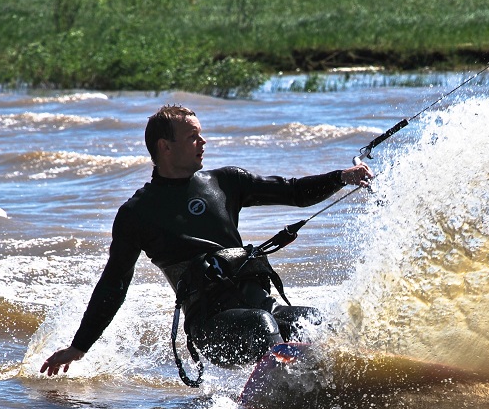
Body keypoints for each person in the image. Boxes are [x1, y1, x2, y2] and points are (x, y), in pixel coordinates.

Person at [41, 104, 372, 378]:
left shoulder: (226, 182)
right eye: (192, 137)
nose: (203, 143)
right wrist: (79, 347)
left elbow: (293, 191)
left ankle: (342, 381)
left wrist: (342, 177)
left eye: (201, 135)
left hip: (259, 306)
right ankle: (281, 389)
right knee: (261, 325)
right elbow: (113, 284)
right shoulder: (137, 213)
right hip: (211, 328)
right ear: (165, 147)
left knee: (313, 321)